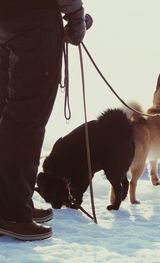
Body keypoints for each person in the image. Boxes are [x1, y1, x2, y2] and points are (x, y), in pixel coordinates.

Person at [0, 0, 88, 241]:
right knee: (26, 118)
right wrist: (76, 18)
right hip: (32, 20)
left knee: (7, 112)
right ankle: (12, 212)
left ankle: (13, 201)